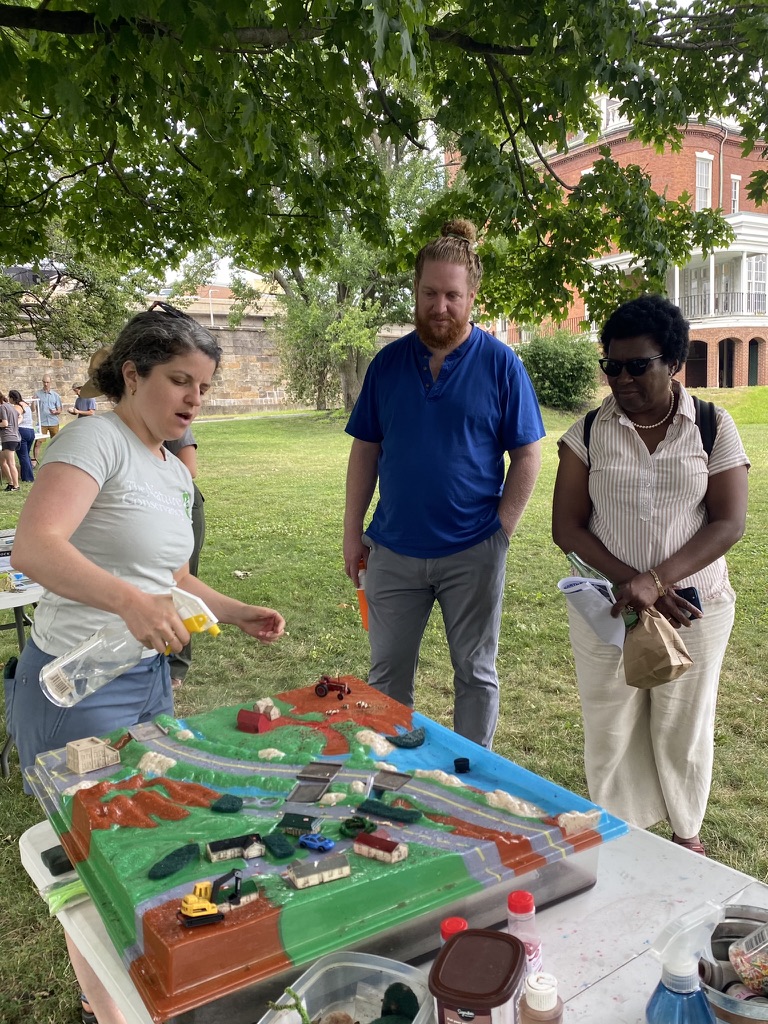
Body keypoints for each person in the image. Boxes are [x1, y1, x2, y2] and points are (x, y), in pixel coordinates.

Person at [8, 305, 285, 1024]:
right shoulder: (94, 438)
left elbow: (177, 579)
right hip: (78, 686)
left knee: (149, 832)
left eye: (203, 385)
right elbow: (36, 548)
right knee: (95, 858)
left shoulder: (169, 466)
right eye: (178, 380)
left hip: (147, 680)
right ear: (131, 374)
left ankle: (147, 987)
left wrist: (234, 609)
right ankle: (103, 1003)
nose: (194, 398)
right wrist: (127, 601)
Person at [552, 294, 749, 857]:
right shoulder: (587, 432)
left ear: (674, 363)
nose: (622, 377)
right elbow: (567, 527)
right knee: (610, 722)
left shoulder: (711, 425)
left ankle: (686, 836)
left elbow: (728, 522)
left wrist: (657, 580)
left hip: (696, 605)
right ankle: (621, 836)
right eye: (611, 365)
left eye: (638, 365)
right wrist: (632, 584)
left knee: (683, 725)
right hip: (609, 610)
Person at [343, 219, 544, 748]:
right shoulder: (387, 365)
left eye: (452, 295)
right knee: (386, 678)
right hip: (393, 551)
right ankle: (386, 772)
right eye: (429, 293)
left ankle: (473, 784)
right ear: (416, 291)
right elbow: (364, 449)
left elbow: (528, 453)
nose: (439, 307)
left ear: (472, 296)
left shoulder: (501, 365)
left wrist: (501, 530)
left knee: (474, 675)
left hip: (472, 550)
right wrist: (351, 532)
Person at [163, 427, 205, 687]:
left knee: (181, 588)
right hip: (150, 511)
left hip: (183, 506)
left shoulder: (172, 421)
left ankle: (177, 666)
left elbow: (189, 470)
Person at [33, 373, 62, 461]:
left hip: (54, 422)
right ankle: (34, 461)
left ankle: (58, 459)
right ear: (42, 382)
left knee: (56, 442)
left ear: (50, 382)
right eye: (44, 382)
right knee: (38, 443)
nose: (46, 384)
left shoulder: (55, 395)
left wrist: (55, 412)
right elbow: (33, 409)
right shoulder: (37, 394)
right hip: (42, 423)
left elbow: (59, 410)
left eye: (47, 382)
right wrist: (32, 402)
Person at [8, 389, 35, 483]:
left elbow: (16, 417)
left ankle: (28, 477)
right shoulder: (26, 404)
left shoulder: (17, 407)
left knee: (23, 456)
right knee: (26, 455)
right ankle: (26, 474)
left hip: (22, 431)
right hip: (31, 431)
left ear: (12, 398)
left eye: (9, 397)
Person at [0, 389, 21, 491]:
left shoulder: (3, 407)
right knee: (2, 460)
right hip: (15, 437)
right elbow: (19, 417)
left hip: (9, 438)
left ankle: (16, 485)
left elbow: (5, 423)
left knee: (11, 463)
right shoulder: (11, 407)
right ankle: (11, 482)